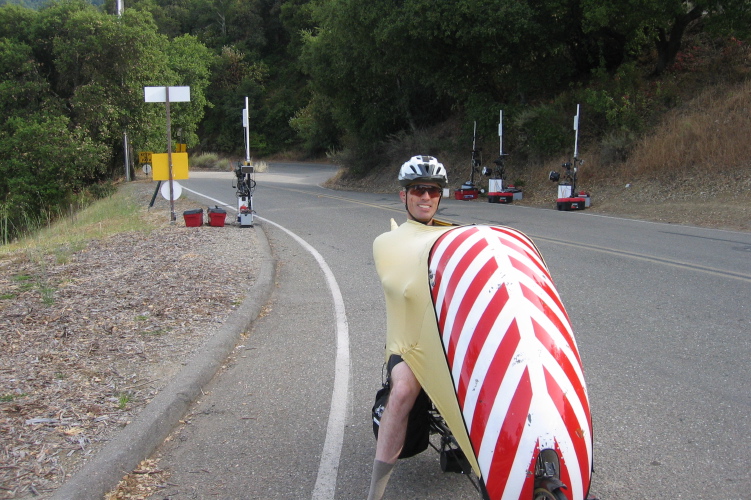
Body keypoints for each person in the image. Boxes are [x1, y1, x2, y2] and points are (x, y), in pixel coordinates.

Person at [368, 155, 452, 500]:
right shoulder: (387, 242)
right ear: (404, 196)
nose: (426, 197)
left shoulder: (453, 237)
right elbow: (398, 281)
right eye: (418, 189)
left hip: (449, 339)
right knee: (402, 391)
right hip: (408, 345)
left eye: (433, 191)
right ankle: (375, 490)